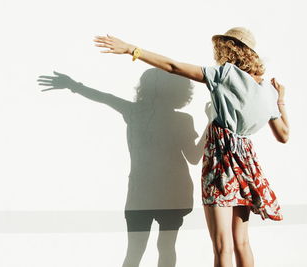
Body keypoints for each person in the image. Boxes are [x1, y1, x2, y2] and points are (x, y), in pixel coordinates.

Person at [93, 27, 289, 267]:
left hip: (222, 165)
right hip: (247, 166)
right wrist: (280, 99)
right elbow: (284, 135)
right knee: (243, 243)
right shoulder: (267, 91)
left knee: (222, 246)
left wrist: (132, 50)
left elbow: (174, 67)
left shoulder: (225, 74)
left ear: (228, 49)